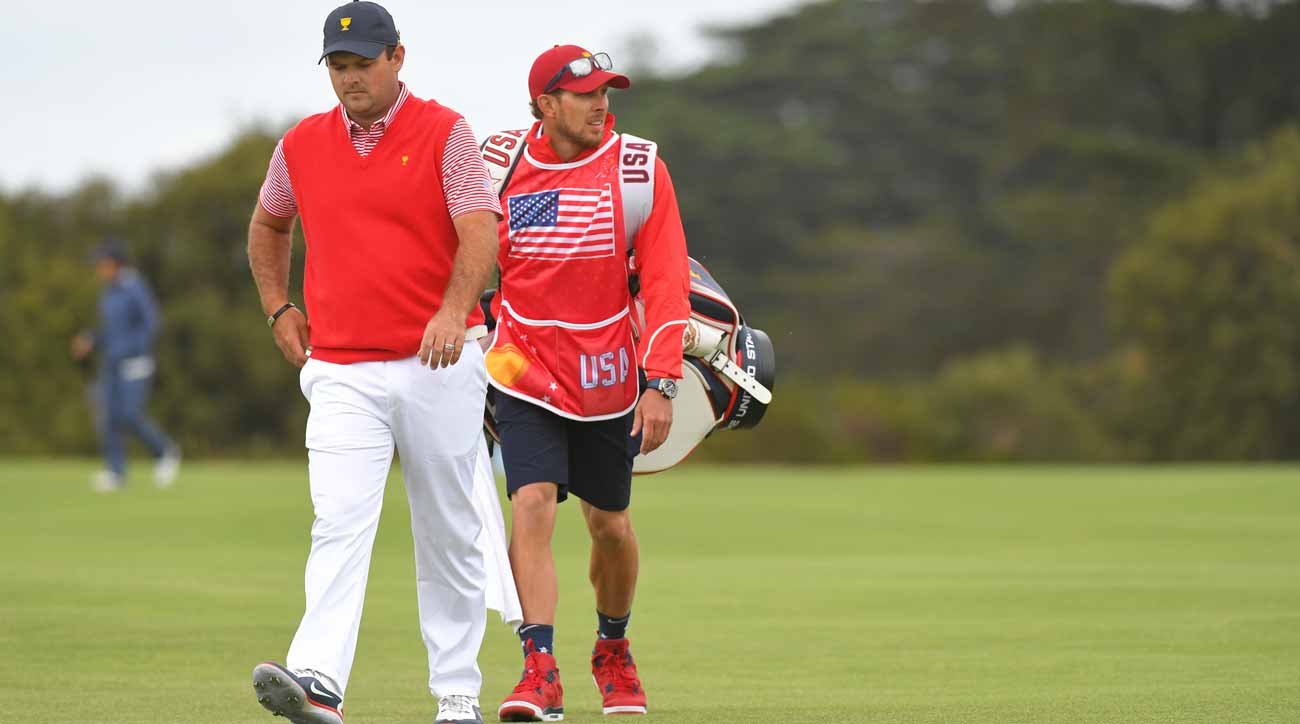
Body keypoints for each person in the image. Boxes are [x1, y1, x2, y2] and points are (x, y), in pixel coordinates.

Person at [244, 3, 504, 724]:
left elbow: (479, 230)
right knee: (338, 522)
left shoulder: (445, 131)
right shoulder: (300, 143)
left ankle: (457, 694)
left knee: (447, 531)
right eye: (338, 66)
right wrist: (278, 306)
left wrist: (453, 310)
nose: (350, 78)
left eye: (363, 64)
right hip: (340, 368)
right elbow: (268, 223)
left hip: (438, 362)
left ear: (397, 58)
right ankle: (320, 681)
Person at [485, 45, 691, 721]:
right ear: (546, 105)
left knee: (610, 525)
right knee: (532, 503)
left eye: (606, 93)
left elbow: (665, 280)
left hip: (607, 376)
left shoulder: (638, 170)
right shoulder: (497, 165)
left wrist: (661, 381)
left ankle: (613, 648)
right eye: (585, 95)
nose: (601, 105)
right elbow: (466, 257)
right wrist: (466, 329)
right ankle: (538, 668)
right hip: (522, 369)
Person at [71, 238, 181, 493]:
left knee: (130, 415)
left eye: (102, 263)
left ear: (116, 264)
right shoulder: (108, 292)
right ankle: (116, 472)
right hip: (111, 363)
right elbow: (109, 330)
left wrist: (132, 348)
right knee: (109, 417)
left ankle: (165, 451)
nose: (99, 268)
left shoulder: (135, 287)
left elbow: (151, 323)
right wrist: (90, 339)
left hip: (135, 362)